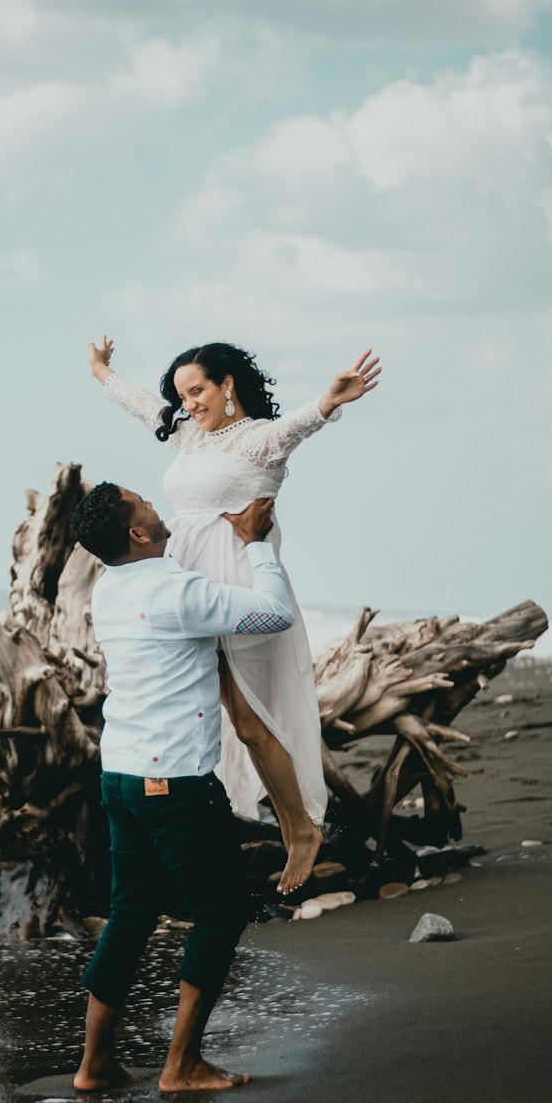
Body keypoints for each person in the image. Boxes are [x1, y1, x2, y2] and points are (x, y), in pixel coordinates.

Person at [87, 337, 379, 893]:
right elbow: (143, 406)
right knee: (221, 715)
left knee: (249, 718)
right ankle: (239, 824)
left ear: (227, 385)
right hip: (186, 585)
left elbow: (298, 424)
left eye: (197, 390)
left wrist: (330, 400)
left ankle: (303, 830)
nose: (189, 403)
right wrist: (104, 373)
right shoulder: (188, 434)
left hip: (242, 579)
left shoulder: (259, 442)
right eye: (183, 394)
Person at [70, 481, 294, 1093]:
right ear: (138, 534)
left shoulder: (110, 588)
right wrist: (256, 546)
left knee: (129, 913)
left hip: (119, 775)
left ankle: (94, 1065)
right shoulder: (174, 591)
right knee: (220, 912)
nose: (155, 505)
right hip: (172, 781)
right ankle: (182, 1064)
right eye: (144, 504)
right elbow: (274, 614)